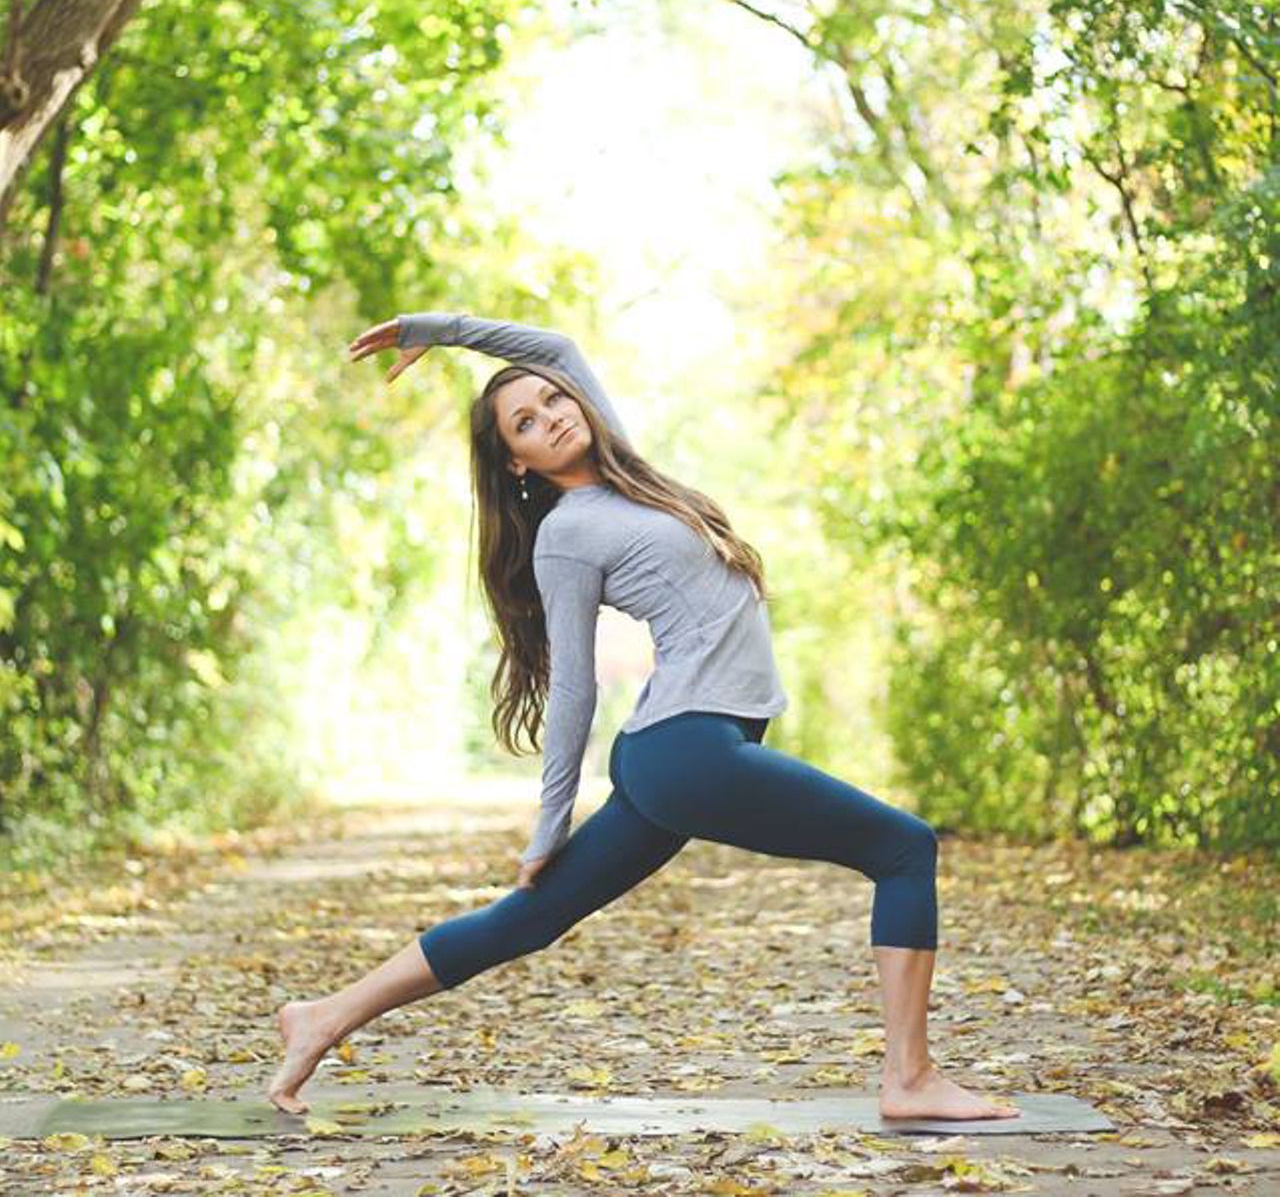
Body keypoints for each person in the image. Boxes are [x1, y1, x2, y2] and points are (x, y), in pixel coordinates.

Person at [266, 313, 1022, 1122]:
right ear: (516, 462)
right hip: (685, 749)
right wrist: (548, 825)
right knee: (903, 847)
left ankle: (323, 1016)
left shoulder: (627, 477)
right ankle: (909, 1080)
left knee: (535, 920)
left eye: (554, 401)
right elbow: (575, 688)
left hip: (690, 750)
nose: (552, 414)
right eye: (526, 422)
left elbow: (550, 348)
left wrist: (436, 330)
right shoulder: (567, 534)